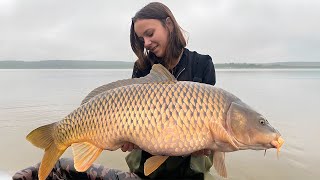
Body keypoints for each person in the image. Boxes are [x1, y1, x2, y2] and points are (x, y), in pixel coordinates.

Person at [13, 2, 216, 180]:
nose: (146, 43)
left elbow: (210, 122)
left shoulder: (202, 64)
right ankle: (60, 135)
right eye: (141, 38)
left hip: (190, 171)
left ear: (168, 24)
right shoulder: (143, 68)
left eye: (150, 33)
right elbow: (129, 118)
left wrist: (208, 141)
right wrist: (128, 138)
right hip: (146, 169)